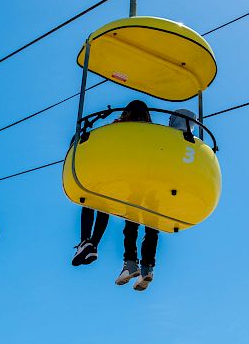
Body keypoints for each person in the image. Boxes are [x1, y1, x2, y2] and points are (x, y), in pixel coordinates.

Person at [115, 107, 198, 291]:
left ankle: (130, 263)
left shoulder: (163, 135)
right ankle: (147, 268)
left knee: (131, 223)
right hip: (164, 190)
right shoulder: (193, 145)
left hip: (143, 182)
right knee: (152, 227)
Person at [71, 100, 151, 267]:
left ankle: (86, 241)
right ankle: (92, 244)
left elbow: (101, 142)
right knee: (104, 206)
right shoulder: (149, 132)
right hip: (131, 181)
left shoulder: (118, 127)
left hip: (111, 173)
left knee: (91, 200)